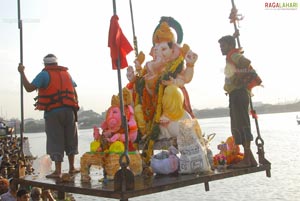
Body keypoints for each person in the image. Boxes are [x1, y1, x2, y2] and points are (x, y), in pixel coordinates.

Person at [18, 54, 80, 178]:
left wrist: (22, 72)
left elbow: (29, 88)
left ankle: (58, 171)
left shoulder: (44, 74)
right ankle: (72, 167)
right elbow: (74, 93)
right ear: (57, 63)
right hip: (70, 111)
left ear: (45, 64)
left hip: (53, 112)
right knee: (70, 139)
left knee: (55, 140)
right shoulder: (67, 74)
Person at [218, 35, 258, 168]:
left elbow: (246, 62)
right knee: (241, 125)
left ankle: (246, 160)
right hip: (237, 94)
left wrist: (240, 79)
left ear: (230, 45)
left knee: (241, 126)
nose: (221, 49)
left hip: (238, 94)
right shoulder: (232, 55)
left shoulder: (233, 55)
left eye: (223, 46)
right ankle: (250, 159)